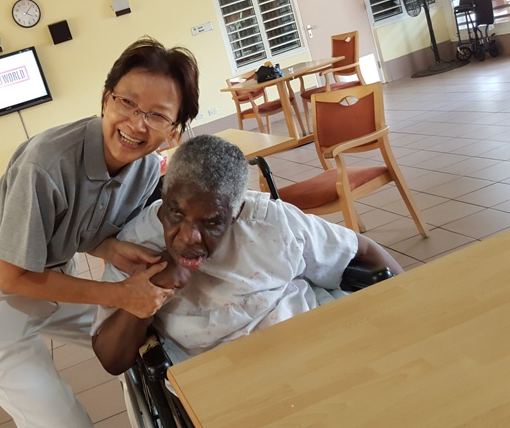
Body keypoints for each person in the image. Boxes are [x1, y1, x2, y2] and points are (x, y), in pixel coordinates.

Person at [0, 36, 199, 428]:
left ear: (174, 128)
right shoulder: (46, 163)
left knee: (138, 343)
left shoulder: (146, 169)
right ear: (106, 99)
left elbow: (82, 225)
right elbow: (11, 276)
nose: (137, 125)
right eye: (127, 103)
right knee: (61, 421)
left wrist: (110, 249)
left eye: (157, 115)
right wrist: (119, 294)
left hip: (54, 276)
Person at [91, 135, 403, 375]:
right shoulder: (136, 246)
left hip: (313, 340)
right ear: (164, 195)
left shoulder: (269, 221)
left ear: (237, 212)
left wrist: (411, 297)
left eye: (212, 223)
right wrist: (147, 294)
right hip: (223, 373)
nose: (188, 238)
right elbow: (111, 359)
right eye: (176, 213)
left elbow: (362, 249)